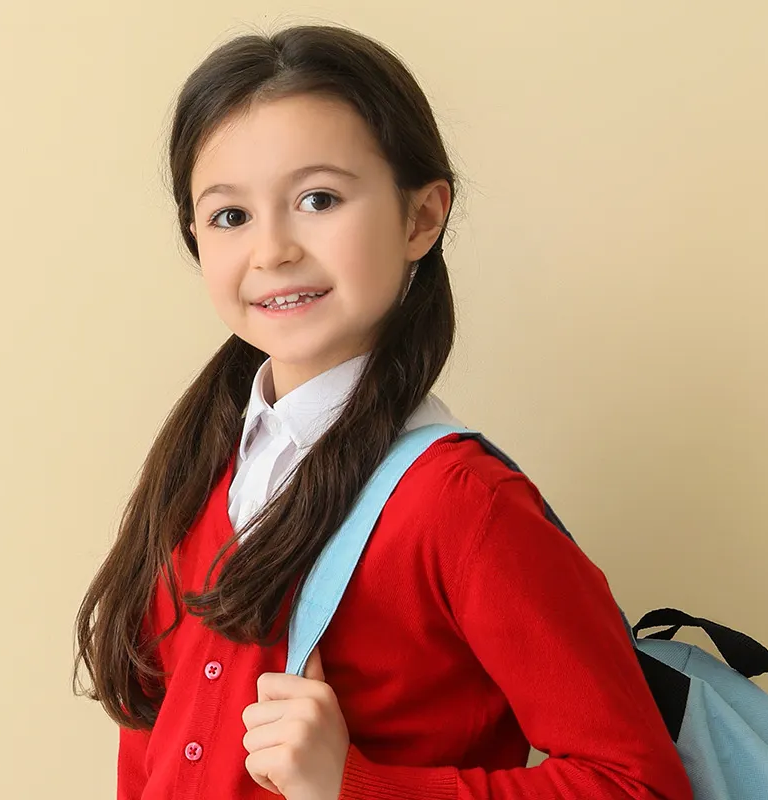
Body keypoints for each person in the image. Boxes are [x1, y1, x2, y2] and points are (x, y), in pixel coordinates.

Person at [72, 25, 693, 800]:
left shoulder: (461, 507)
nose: (271, 251)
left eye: (318, 199)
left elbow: (638, 785)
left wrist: (354, 783)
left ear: (421, 218)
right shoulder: (196, 472)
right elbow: (154, 749)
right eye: (230, 215)